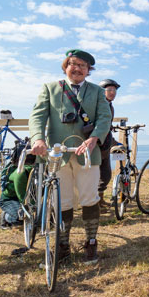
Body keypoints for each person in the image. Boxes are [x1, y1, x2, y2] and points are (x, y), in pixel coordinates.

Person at [29, 49, 111, 264]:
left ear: (88, 71)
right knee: (62, 200)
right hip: (58, 154)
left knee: (89, 198)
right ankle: (63, 244)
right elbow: (37, 116)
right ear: (65, 66)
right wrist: (38, 139)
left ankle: (91, 242)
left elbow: (104, 118)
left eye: (82, 66)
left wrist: (94, 139)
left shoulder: (96, 91)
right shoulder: (50, 88)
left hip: (87, 153)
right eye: (73, 64)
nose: (77, 69)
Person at [97, 79, 121, 212]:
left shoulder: (110, 106)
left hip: (105, 144)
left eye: (114, 90)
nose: (112, 93)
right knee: (96, 175)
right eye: (109, 90)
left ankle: (100, 199)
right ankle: (93, 203)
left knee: (105, 174)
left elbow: (107, 127)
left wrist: (114, 142)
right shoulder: (98, 105)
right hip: (97, 145)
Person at [0, 154, 35, 229]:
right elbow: (22, 197)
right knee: (20, 218)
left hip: (24, 197)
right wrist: (34, 207)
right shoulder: (20, 174)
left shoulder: (37, 171)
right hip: (10, 199)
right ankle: (6, 216)